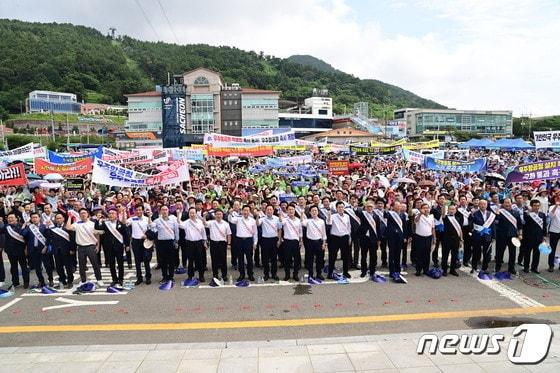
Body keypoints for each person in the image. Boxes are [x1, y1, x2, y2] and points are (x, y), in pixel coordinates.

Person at [65, 208, 104, 286]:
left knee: (95, 264)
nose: (83, 214)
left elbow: (97, 235)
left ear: (87, 214)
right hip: (81, 247)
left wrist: (98, 245)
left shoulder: (93, 223)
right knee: (82, 266)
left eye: (84, 213)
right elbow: (68, 227)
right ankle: (83, 280)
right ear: (79, 215)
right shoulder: (77, 223)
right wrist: (70, 217)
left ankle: (99, 279)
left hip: (91, 246)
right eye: (81, 213)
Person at [95, 208, 129, 287]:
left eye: (113, 213)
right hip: (108, 247)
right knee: (111, 264)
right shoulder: (105, 224)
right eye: (110, 213)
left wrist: (127, 245)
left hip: (119, 247)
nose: (111, 215)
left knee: (120, 264)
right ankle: (114, 279)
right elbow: (97, 229)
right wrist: (97, 220)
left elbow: (125, 235)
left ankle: (121, 279)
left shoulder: (120, 224)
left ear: (116, 215)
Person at [22, 212, 54, 287]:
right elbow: (23, 234)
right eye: (33, 217)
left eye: (36, 217)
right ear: (31, 219)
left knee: (47, 266)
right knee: (37, 267)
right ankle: (41, 281)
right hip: (33, 249)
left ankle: (51, 280)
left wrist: (46, 247)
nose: (34, 219)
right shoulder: (29, 227)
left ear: (39, 218)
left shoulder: (44, 226)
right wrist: (24, 226)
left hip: (43, 249)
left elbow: (49, 238)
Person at [150, 205, 180, 283]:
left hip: (171, 242)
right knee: (163, 261)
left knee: (171, 261)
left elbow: (176, 231)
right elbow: (150, 226)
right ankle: (164, 276)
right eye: (163, 210)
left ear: (168, 211)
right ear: (160, 211)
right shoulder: (157, 221)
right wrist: (149, 217)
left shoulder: (173, 220)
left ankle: (171, 276)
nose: (164, 211)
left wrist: (176, 241)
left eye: (166, 209)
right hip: (161, 243)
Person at [228, 205, 258, 281]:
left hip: (248, 241)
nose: (245, 212)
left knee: (249, 259)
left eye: (247, 210)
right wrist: (230, 213)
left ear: (249, 212)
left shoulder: (253, 220)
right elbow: (231, 220)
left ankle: (250, 274)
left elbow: (255, 233)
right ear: (242, 211)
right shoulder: (238, 219)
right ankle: (242, 274)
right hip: (239, 241)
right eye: (244, 210)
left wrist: (255, 243)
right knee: (240, 259)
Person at [0, 213, 30, 288]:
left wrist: (26, 248)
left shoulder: (22, 226)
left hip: (21, 250)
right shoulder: (6, 227)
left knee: (24, 267)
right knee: (13, 267)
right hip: (10, 251)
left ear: (16, 218)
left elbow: (27, 238)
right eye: (9, 218)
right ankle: (15, 282)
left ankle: (26, 282)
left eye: (12, 218)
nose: (10, 219)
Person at [46, 212, 75, 288]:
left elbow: (72, 239)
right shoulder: (53, 228)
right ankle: (62, 281)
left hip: (66, 250)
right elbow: (48, 237)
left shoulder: (67, 227)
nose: (58, 220)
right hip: (56, 250)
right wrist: (47, 228)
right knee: (59, 267)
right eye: (57, 218)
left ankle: (70, 281)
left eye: (60, 218)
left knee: (68, 267)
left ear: (63, 219)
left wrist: (72, 249)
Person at [494, 198, 522, 275]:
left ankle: (511, 268)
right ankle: (498, 266)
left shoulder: (516, 213)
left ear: (511, 203)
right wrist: (496, 215)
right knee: (500, 252)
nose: (507, 204)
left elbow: (519, 225)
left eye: (508, 202)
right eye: (505, 203)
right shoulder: (500, 212)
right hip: (501, 236)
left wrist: (520, 234)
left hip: (513, 236)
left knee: (512, 253)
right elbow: (495, 223)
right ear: (503, 204)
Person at [179, 207, 208, 282]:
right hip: (189, 243)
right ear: (188, 214)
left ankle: (201, 276)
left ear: (196, 214)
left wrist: (204, 242)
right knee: (190, 261)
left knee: (200, 260)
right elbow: (179, 224)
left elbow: (203, 232)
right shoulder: (186, 222)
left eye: (193, 213)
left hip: (199, 243)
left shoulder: (200, 222)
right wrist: (178, 214)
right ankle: (190, 276)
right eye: (190, 213)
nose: (192, 214)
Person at [126, 205, 152, 285]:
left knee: (146, 260)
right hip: (135, 242)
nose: (138, 211)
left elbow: (151, 229)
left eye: (140, 210)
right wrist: (124, 213)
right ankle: (139, 278)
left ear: (143, 210)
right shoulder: (132, 218)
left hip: (145, 241)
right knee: (137, 261)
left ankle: (148, 277)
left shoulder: (147, 219)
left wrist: (147, 236)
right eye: (137, 210)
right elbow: (125, 223)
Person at [327, 201, 352, 279]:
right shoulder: (333, 216)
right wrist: (329, 215)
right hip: (335, 238)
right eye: (339, 207)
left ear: (344, 208)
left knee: (345, 256)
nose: (341, 209)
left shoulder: (347, 216)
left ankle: (345, 272)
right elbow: (328, 223)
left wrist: (349, 237)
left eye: (342, 207)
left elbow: (349, 227)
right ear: (336, 208)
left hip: (344, 238)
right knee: (332, 257)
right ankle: (330, 273)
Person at [301, 205, 327, 280]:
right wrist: (302, 213)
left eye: (315, 210)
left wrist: (324, 243)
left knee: (319, 259)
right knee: (310, 259)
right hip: (310, 242)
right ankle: (311, 274)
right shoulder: (308, 221)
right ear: (310, 212)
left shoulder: (321, 221)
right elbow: (302, 222)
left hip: (319, 242)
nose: (314, 212)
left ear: (318, 212)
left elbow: (324, 233)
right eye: (312, 211)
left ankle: (319, 273)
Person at [257, 205, 282, 281]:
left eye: (271, 209)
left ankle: (274, 274)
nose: (269, 211)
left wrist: (279, 239)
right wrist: (257, 216)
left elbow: (279, 229)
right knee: (265, 259)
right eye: (268, 209)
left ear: (273, 210)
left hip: (274, 240)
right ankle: (266, 274)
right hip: (265, 240)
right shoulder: (263, 219)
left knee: (274, 258)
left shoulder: (277, 218)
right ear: (265, 211)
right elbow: (257, 224)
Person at [470, 200, 495, 274]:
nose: (483, 205)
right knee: (475, 253)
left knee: (486, 253)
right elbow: (471, 224)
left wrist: (493, 236)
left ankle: (485, 268)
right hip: (477, 236)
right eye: (481, 204)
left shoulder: (491, 214)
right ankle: (474, 267)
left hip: (487, 236)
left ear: (487, 205)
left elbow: (493, 226)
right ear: (479, 205)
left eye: (484, 204)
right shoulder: (474, 213)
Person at [205, 209, 231, 280]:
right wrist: (204, 217)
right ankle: (215, 275)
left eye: (220, 214)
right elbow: (204, 224)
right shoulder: (211, 222)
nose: (218, 216)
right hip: (213, 243)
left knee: (223, 260)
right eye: (217, 214)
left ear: (222, 215)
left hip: (222, 243)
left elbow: (229, 234)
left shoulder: (226, 224)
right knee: (214, 260)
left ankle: (224, 275)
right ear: (215, 215)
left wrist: (229, 244)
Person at [522, 199, 547, 274]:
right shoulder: (527, 214)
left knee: (537, 253)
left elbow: (544, 226)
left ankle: (534, 268)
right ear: (531, 206)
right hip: (529, 237)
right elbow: (524, 224)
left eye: (538, 206)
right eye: (535, 206)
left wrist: (544, 236)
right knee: (527, 253)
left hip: (538, 237)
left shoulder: (542, 215)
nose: (536, 207)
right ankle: (526, 267)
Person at [357, 201, 380, 278]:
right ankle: (363, 271)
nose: (369, 208)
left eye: (371, 206)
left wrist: (378, 239)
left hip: (373, 239)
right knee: (363, 255)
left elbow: (378, 229)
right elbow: (356, 212)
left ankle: (372, 270)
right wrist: (355, 206)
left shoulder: (376, 216)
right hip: (364, 238)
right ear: (365, 207)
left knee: (373, 255)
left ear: (373, 207)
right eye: (368, 206)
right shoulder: (363, 214)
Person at [414, 203, 435, 276]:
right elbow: (416, 221)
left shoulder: (431, 216)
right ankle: (418, 270)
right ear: (421, 209)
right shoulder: (418, 215)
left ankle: (426, 270)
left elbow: (433, 228)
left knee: (427, 254)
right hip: (420, 237)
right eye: (424, 208)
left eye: (427, 208)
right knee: (419, 254)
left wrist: (434, 237)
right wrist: (420, 213)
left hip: (428, 237)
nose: (426, 209)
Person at [441, 204, 463, 276]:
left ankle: (452, 269)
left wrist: (461, 240)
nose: (452, 210)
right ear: (448, 210)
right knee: (445, 255)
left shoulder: (458, 218)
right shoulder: (445, 217)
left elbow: (460, 230)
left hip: (456, 239)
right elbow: (443, 214)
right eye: (450, 209)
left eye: (453, 209)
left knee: (454, 255)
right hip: (446, 239)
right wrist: (444, 205)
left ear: (456, 210)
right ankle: (444, 269)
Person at [547, 197, 560, 272]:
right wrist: (556, 206)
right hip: (554, 230)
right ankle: (551, 265)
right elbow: (550, 216)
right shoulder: (552, 207)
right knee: (552, 249)